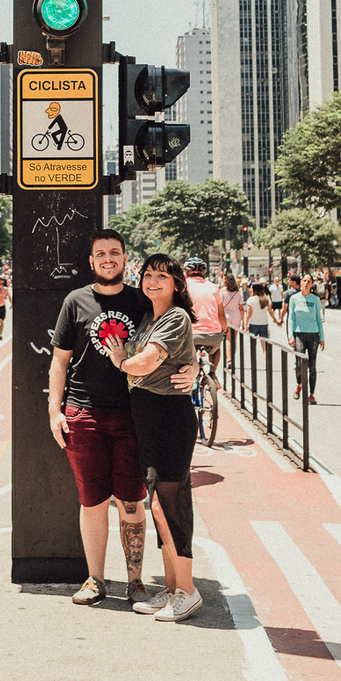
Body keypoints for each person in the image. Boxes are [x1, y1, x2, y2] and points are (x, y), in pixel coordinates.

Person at [103, 252, 200, 622]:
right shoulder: (150, 317)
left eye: (162, 275)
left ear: (177, 284)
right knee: (159, 504)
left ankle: (188, 591)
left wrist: (121, 363)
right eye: (147, 275)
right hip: (148, 417)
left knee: (168, 506)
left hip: (169, 417)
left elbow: (143, 363)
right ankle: (173, 588)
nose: (152, 281)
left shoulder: (174, 317)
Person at [285, 273, 326, 403]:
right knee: (299, 364)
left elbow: (319, 319)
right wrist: (290, 336)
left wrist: (322, 337)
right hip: (299, 334)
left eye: (309, 281)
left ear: (312, 284)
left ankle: (312, 394)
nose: (306, 283)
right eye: (304, 281)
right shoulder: (294, 298)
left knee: (312, 366)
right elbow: (291, 318)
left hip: (313, 334)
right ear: (301, 282)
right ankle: (299, 385)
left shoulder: (315, 300)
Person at [183, 258, 224, 378]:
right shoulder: (213, 287)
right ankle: (212, 374)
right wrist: (225, 330)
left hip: (190, 335)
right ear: (205, 275)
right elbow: (221, 314)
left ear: (186, 274)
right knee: (216, 349)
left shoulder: (182, 288)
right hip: (213, 335)